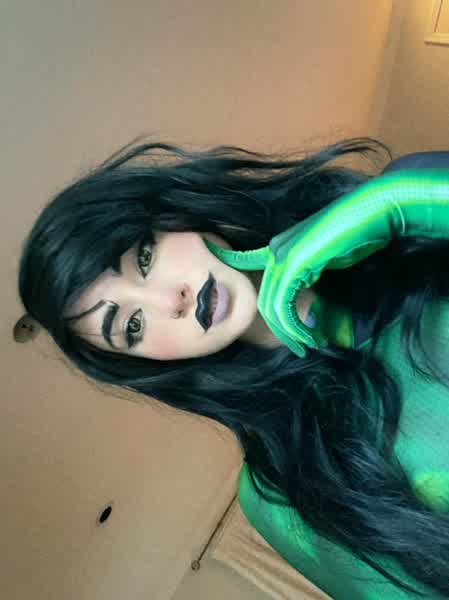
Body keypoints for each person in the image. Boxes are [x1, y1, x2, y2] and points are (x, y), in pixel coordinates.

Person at [18, 136, 449, 598]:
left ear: (174, 216)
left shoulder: (407, 203)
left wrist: (401, 208)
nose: (171, 300)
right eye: (133, 325)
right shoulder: (280, 497)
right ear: (147, 365)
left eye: (144, 257)